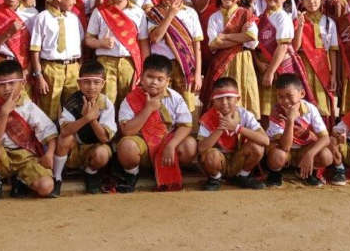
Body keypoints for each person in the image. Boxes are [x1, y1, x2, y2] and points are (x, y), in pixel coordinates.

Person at [115, 55, 196, 193]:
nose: (154, 82)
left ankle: (171, 168)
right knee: (126, 146)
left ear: (168, 81)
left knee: (190, 145)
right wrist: (148, 109)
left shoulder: (175, 98)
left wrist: (171, 145)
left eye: (160, 79)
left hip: (168, 148)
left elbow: (186, 126)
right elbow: (127, 131)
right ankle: (132, 173)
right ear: (142, 77)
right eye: (150, 77)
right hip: (143, 147)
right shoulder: (131, 98)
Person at [0, 60, 57, 203]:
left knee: (46, 186)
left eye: (11, 83)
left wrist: (49, 154)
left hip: (26, 157)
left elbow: (49, 132)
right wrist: (4, 113)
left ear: (22, 83)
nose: (7, 88)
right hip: (2, 157)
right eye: (2, 84)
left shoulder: (29, 107)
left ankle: (21, 180)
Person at [84, 0, 150, 105]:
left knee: (129, 102)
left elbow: (143, 42)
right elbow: (88, 40)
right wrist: (100, 43)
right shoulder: (100, 11)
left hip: (130, 64)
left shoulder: (138, 13)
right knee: (106, 103)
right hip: (105, 63)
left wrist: (145, 69)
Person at [54, 61, 116, 194]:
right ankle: (57, 177)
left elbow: (105, 138)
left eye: (96, 82)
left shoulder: (106, 104)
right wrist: (86, 118)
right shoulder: (73, 101)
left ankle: (90, 172)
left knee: (102, 153)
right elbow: (64, 131)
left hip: (95, 147)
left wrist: (93, 120)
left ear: (103, 84)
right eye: (86, 82)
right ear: (79, 83)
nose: (91, 87)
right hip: (75, 148)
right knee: (64, 138)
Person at [145, 0, 203, 113]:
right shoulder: (155, 12)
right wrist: (170, 15)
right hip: (161, 66)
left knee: (186, 107)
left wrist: (197, 74)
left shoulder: (190, 13)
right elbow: (155, 37)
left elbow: (197, 46)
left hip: (185, 66)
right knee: (162, 107)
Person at [255, 0, 312, 118]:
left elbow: (283, 46)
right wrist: (259, 64)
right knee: (264, 111)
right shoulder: (261, 17)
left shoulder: (283, 18)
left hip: (279, 69)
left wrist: (270, 72)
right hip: (263, 67)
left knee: (281, 109)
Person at [197, 77, 269, 191]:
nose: (224, 102)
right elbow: (201, 148)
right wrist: (221, 128)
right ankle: (215, 178)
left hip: (239, 158)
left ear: (237, 99)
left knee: (258, 147)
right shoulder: (207, 118)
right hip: (218, 160)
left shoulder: (245, 115)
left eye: (229, 98)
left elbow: (265, 141)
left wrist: (237, 128)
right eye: (219, 98)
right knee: (211, 155)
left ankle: (242, 176)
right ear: (213, 100)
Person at [203, 0, 260, 117]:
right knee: (223, 97)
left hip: (243, 61)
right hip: (222, 63)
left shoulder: (245, 14)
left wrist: (225, 36)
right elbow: (214, 44)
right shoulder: (214, 17)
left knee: (243, 93)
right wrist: (240, 36)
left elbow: (251, 37)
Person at [30, 0, 84, 121]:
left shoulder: (74, 19)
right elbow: (35, 50)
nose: (75, 2)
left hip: (73, 68)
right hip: (51, 69)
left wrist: (79, 67)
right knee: (49, 110)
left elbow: (80, 45)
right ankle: (49, 135)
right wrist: (39, 76)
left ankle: (69, 135)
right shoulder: (42, 18)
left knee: (73, 109)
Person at [265, 73, 333, 187]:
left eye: (289, 96)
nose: (285, 101)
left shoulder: (310, 109)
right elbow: (285, 147)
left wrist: (310, 154)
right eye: (281, 97)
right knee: (277, 156)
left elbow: (325, 138)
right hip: (284, 150)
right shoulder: (276, 111)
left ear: (302, 94)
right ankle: (275, 172)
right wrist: (290, 120)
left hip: (303, 149)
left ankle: (305, 171)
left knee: (326, 156)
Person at [293, 0, 339, 121]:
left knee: (322, 101)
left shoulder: (329, 22)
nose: (311, 1)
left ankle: (324, 130)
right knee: (304, 100)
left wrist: (333, 75)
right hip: (303, 66)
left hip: (323, 67)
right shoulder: (298, 20)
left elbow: (332, 51)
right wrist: (300, 26)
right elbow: (295, 47)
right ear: (301, 1)